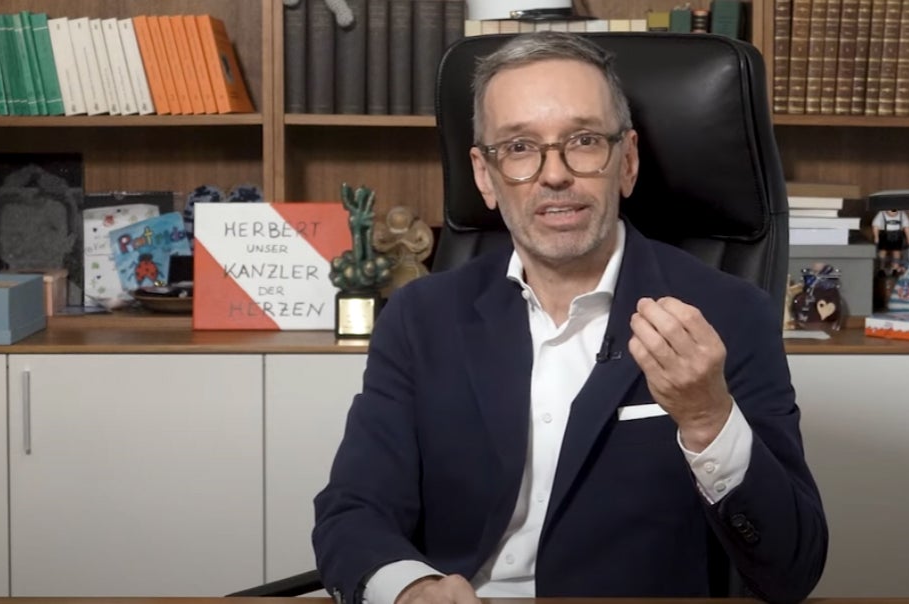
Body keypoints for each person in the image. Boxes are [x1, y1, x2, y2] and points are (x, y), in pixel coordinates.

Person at [313, 31, 827, 604]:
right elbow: (353, 510)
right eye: (519, 147)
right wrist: (410, 589)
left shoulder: (728, 315)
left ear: (626, 161)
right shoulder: (420, 317)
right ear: (483, 175)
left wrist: (708, 417)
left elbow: (791, 569)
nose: (554, 174)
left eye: (583, 141)